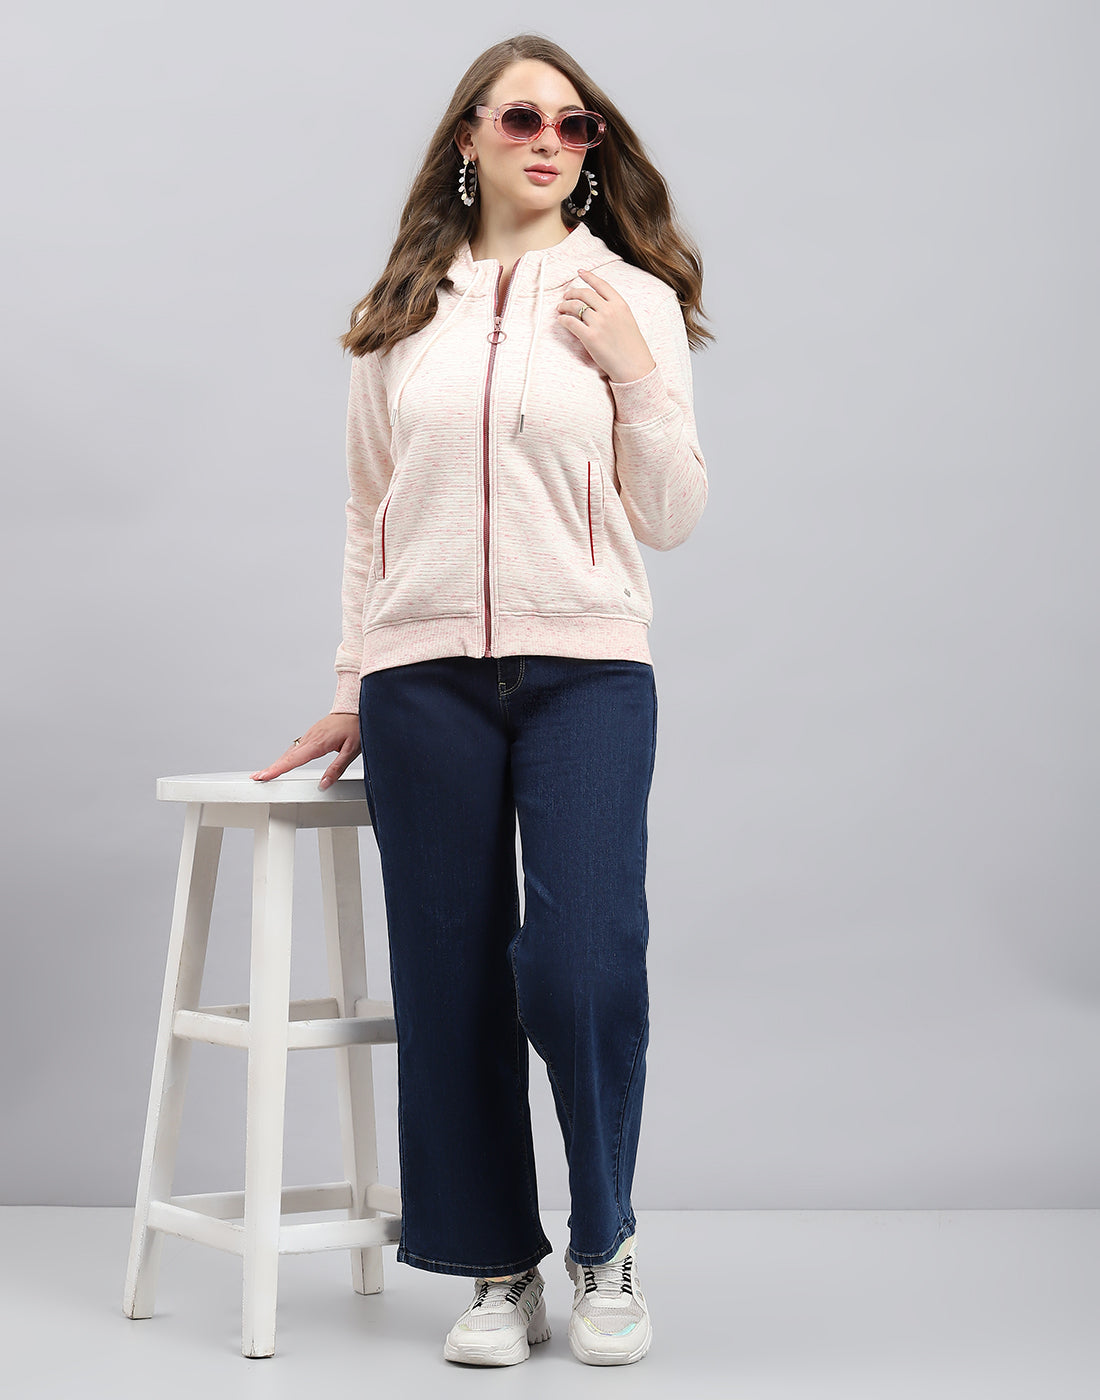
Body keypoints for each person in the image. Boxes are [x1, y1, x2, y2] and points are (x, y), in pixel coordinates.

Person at [250, 32, 711, 1368]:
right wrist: (355, 684)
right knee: (448, 975)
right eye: (522, 119)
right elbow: (368, 513)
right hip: (420, 680)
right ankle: (496, 1267)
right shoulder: (402, 313)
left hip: (588, 671)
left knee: (580, 964)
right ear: (468, 138)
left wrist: (631, 367)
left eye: (576, 126)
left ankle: (605, 1243)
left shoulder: (631, 298)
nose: (551, 142)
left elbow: (673, 513)